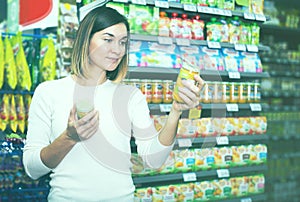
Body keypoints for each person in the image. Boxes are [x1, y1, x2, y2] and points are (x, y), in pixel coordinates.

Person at [23, 5, 204, 202]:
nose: (117, 50)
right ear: (86, 39)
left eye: (122, 42)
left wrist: (176, 111)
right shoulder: (49, 92)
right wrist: (69, 137)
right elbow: (32, 168)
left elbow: (154, 159)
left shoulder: (130, 96)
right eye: (108, 39)